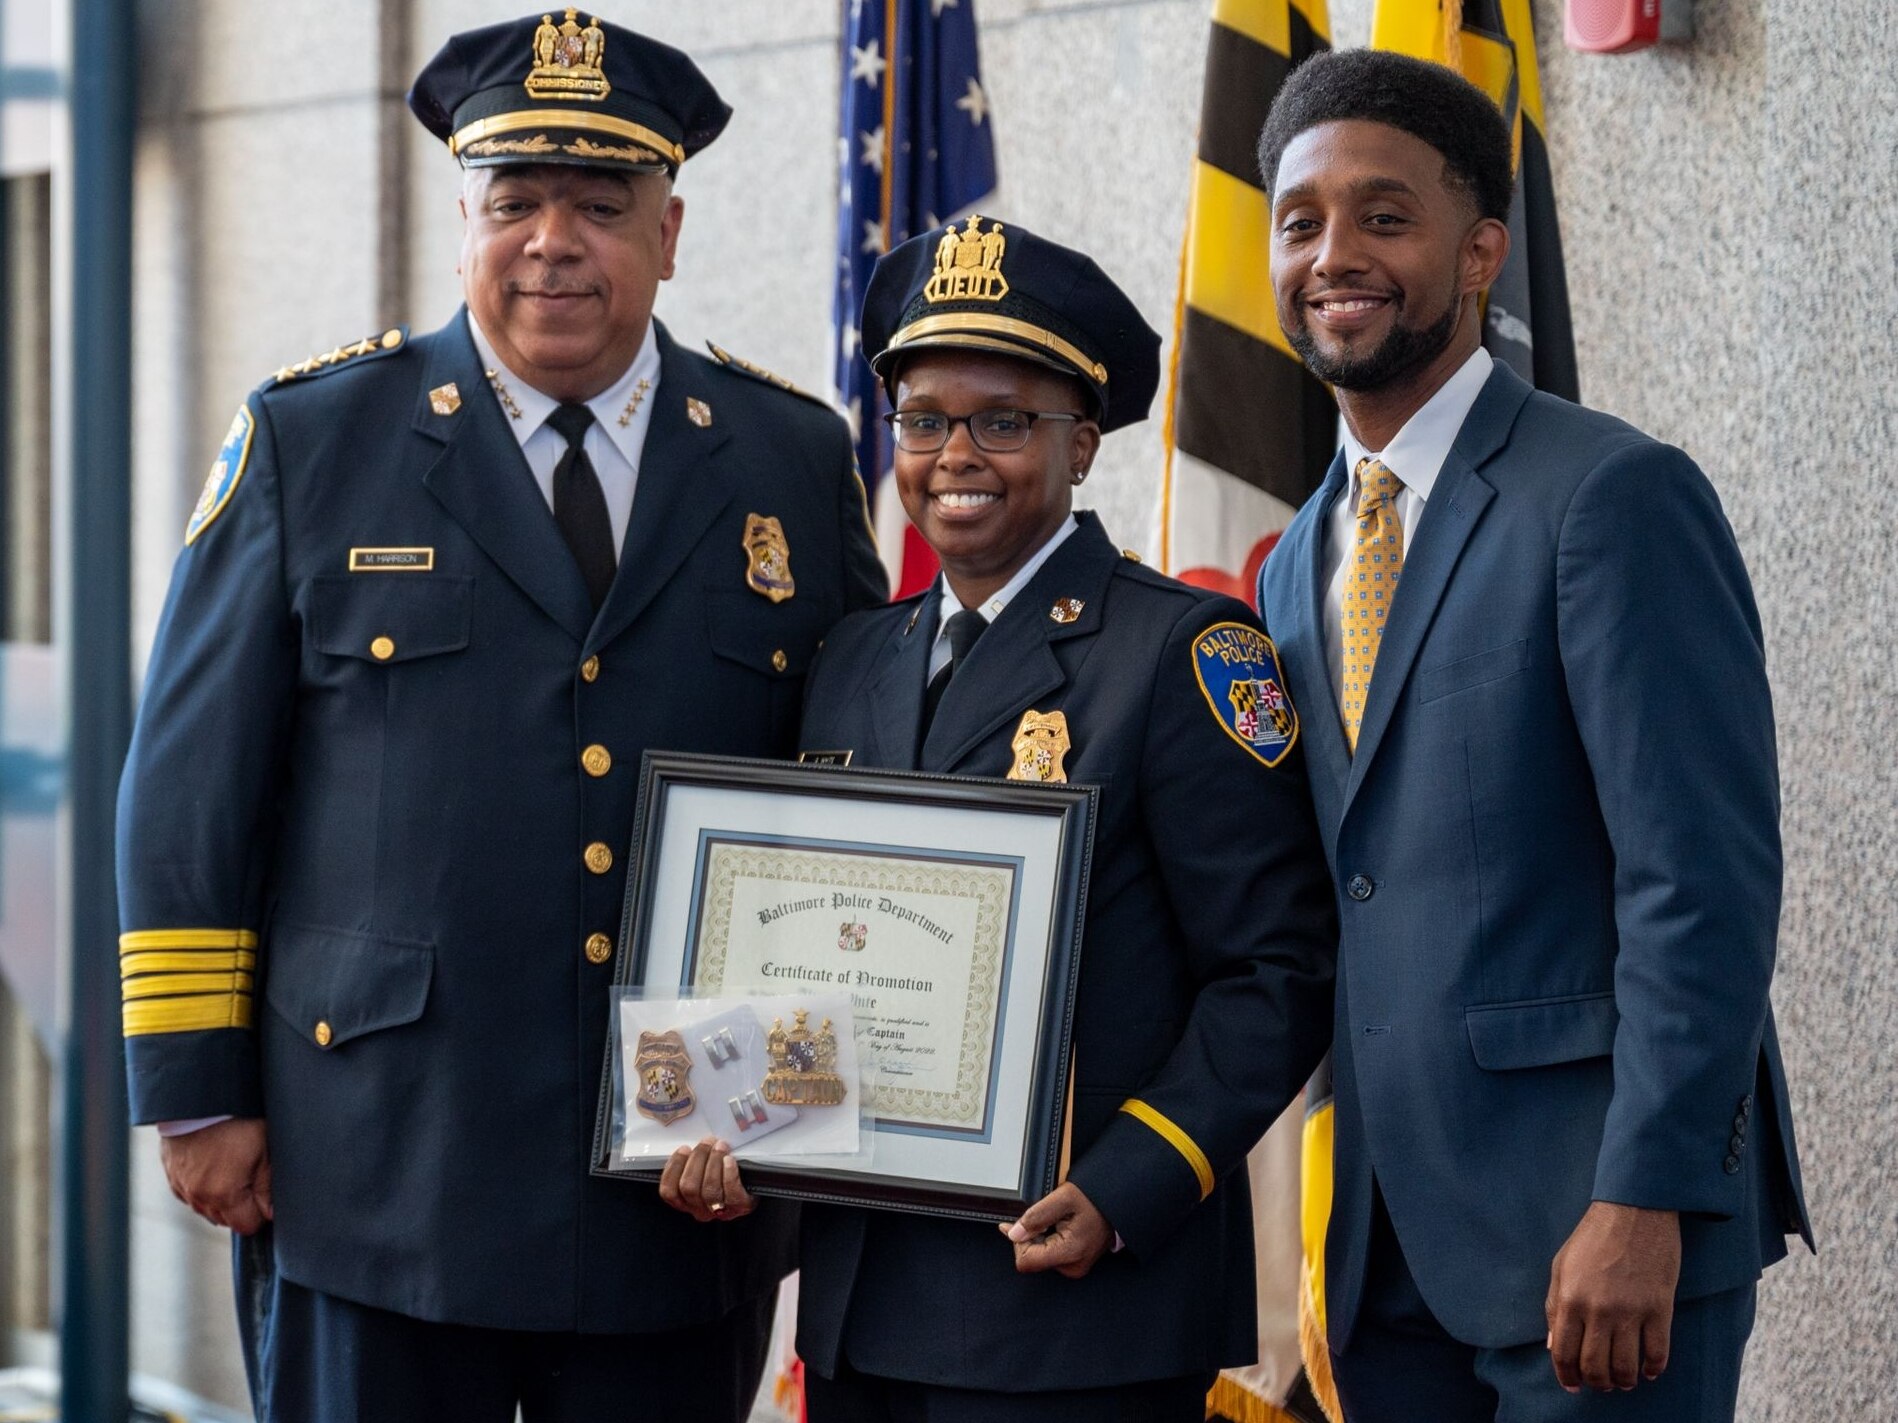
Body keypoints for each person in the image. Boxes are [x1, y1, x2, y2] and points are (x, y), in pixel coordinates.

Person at [114, 12, 886, 1421]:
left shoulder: (789, 455)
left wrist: (788, 1091)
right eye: (515, 201)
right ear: (461, 217)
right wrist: (195, 1088)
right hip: (379, 1162)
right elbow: (187, 795)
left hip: (681, 1176)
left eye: (600, 205)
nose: (554, 242)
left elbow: (842, 807)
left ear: (670, 228)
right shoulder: (312, 439)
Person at [661, 218, 1337, 1422]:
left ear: (1081, 444)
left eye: (1002, 420)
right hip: (864, 1300)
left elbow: (1275, 969)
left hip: (1076, 1305)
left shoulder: (1179, 653)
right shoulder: (851, 659)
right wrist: (722, 1122)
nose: (951, 453)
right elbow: (815, 938)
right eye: (921, 419)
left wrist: (1132, 1181)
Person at [1251, 49, 1812, 1421]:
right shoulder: (1288, 561)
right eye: (1300, 219)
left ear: (1479, 250)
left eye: (1384, 216)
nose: (1335, 253)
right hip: (1387, 1248)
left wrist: (1645, 1191)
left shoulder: (1610, 495)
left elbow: (1699, 880)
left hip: (1600, 1237)